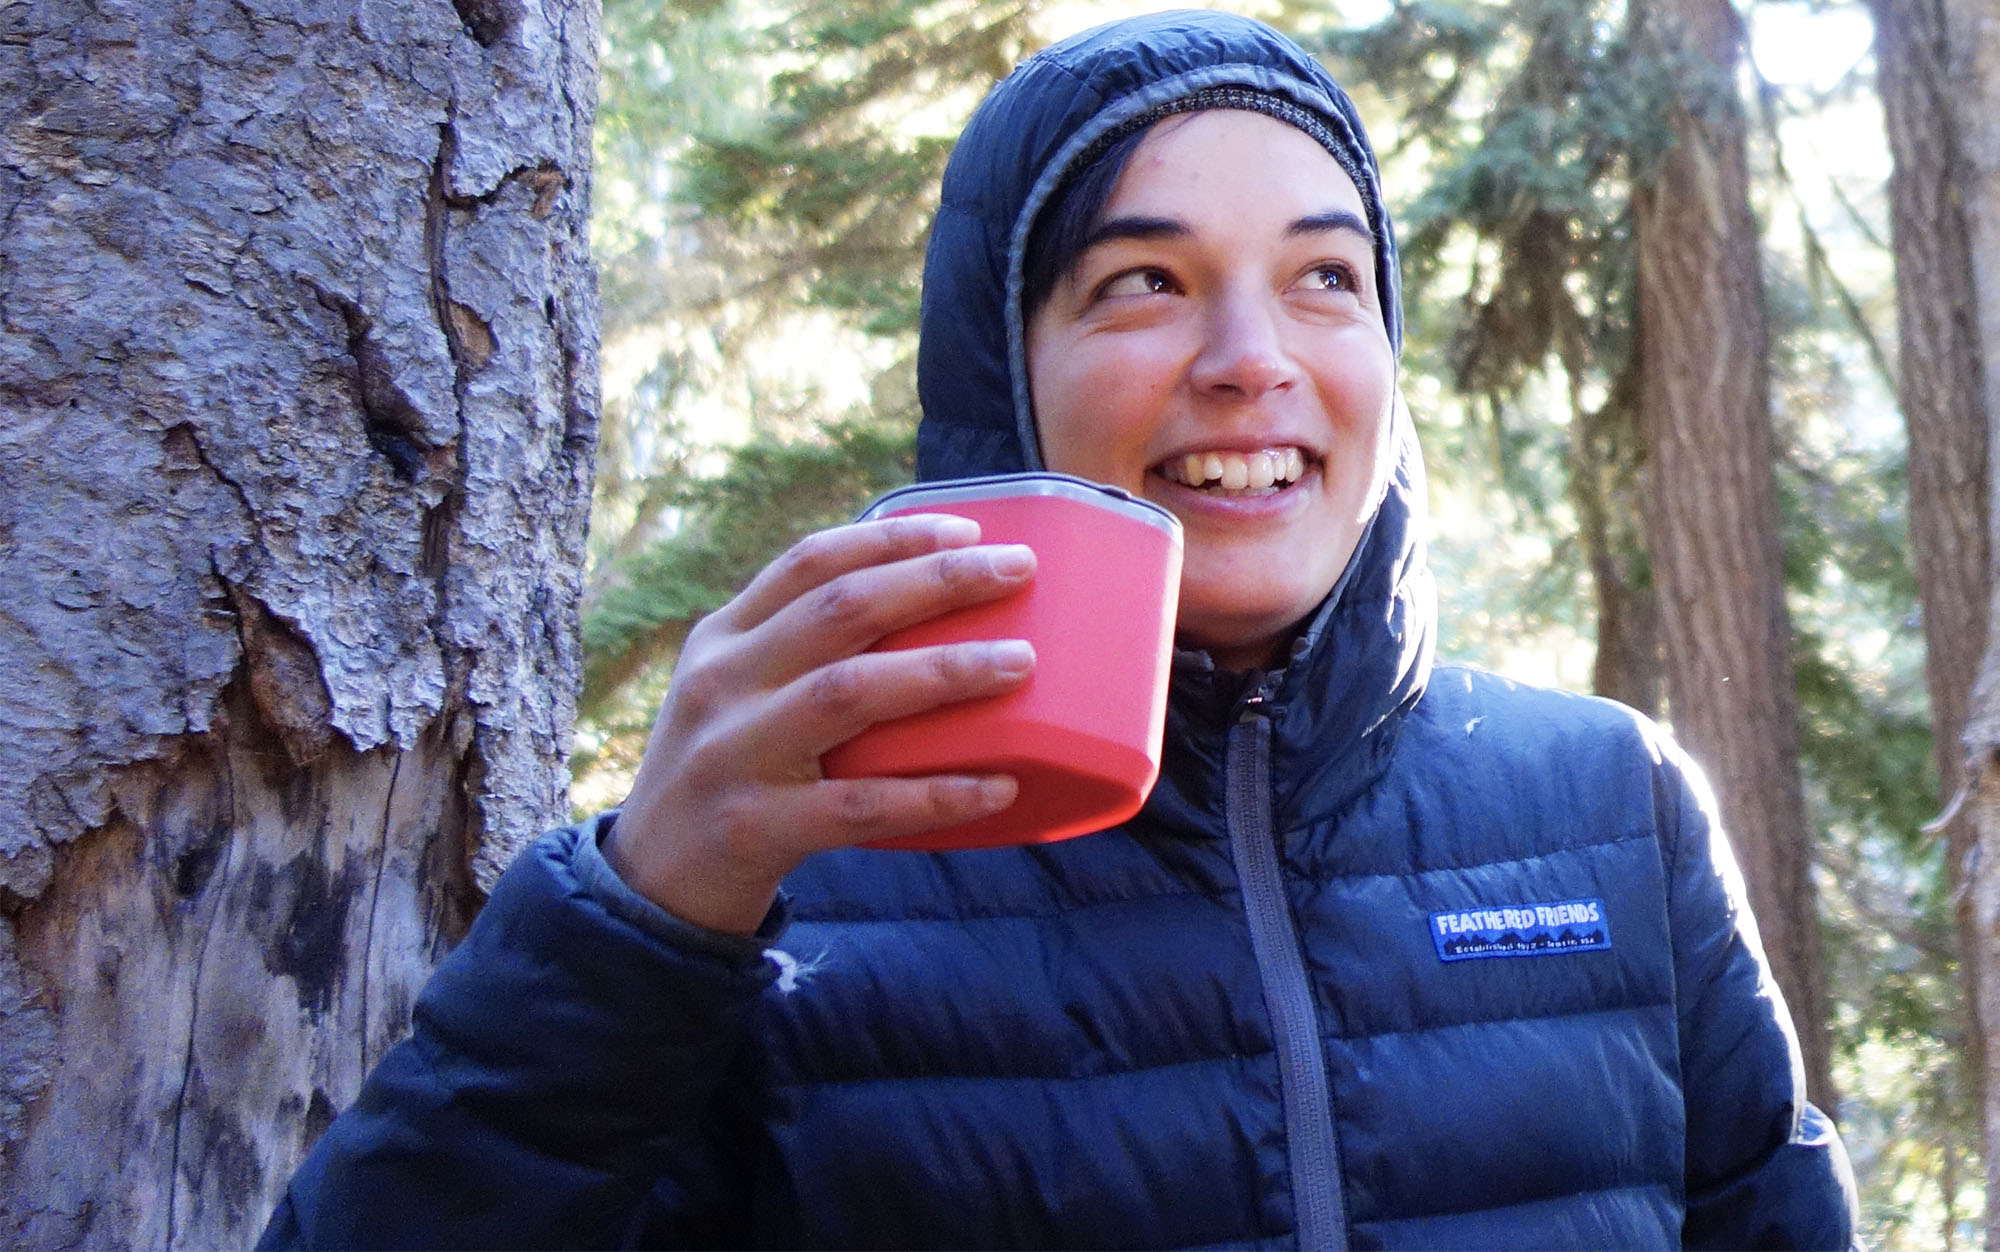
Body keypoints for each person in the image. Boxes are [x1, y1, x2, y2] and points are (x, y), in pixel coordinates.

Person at [260, 10, 1859, 1249]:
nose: (1252, 358)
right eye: (1144, 283)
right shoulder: (774, 871)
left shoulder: (1612, 806)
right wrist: (635, 923)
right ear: (998, 371)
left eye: (1324, 279)